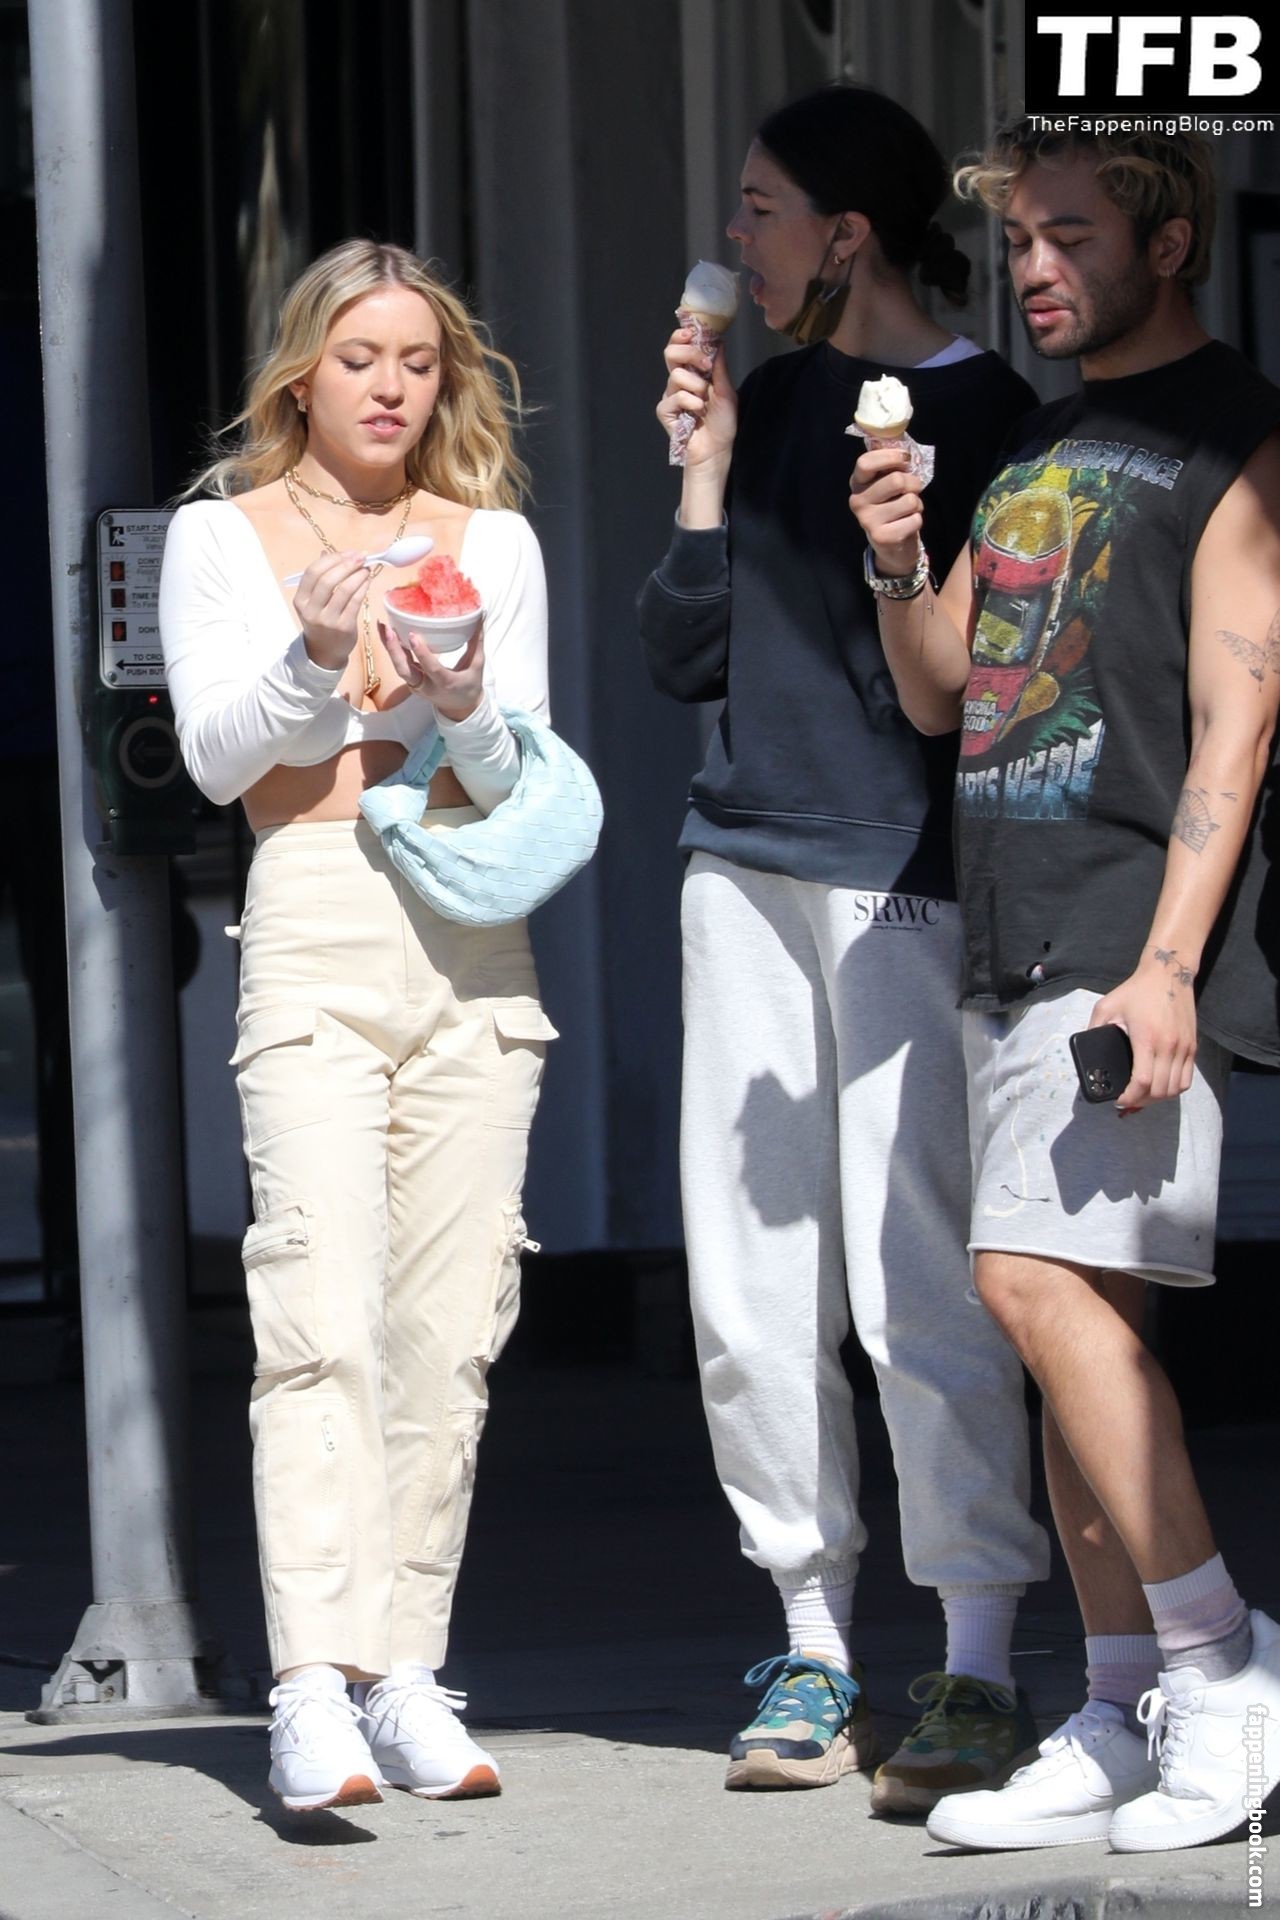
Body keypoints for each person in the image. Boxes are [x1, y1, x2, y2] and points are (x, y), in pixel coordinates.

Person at [850, 122, 1280, 1854]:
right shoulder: (1038, 443)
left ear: (1165, 244)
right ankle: (1118, 1710)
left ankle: (1224, 1667)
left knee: (1028, 1284)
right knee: (1074, 1333)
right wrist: (898, 554)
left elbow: (1243, 717)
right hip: (1006, 927)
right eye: (1021, 239)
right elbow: (942, 685)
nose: (1034, 267)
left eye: (1071, 235)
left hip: (1121, 935)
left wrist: (1169, 966)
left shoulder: (1235, 435)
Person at [638, 83, 1051, 1808]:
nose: (736, 238)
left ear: (847, 236)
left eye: (760, 209)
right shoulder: (779, 398)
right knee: (749, 1284)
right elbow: (683, 657)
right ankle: (810, 1642)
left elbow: (988, 692)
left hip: (905, 874)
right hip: (740, 862)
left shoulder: (998, 419)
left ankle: (975, 1657)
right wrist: (704, 470)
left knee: (915, 1278)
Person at [160, 239, 554, 1813]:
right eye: (359, 358)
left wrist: (461, 698)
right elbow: (215, 762)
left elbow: (518, 779)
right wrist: (314, 654)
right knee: (315, 1313)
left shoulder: (494, 542)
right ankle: (311, 1686)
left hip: (471, 928)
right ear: (302, 371)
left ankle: (408, 1673)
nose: (390, 388)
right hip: (315, 910)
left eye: (417, 361)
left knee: (450, 1327)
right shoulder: (224, 535)